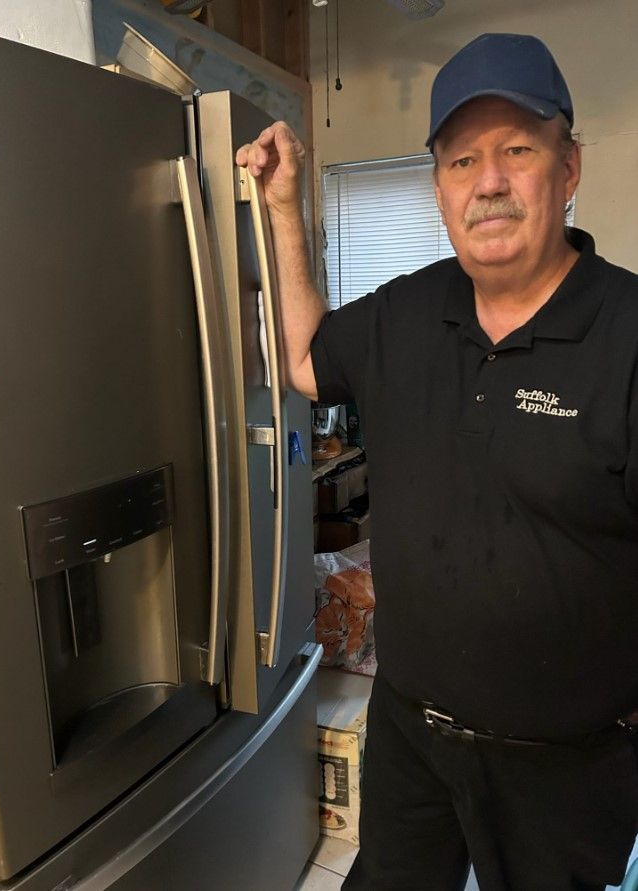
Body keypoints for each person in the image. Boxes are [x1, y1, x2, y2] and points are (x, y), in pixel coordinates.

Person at [236, 32, 638, 891]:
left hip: (563, 767)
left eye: (517, 151)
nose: (487, 182)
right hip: (411, 736)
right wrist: (281, 207)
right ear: (440, 188)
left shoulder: (630, 333)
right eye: (460, 161)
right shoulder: (408, 311)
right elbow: (306, 361)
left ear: (568, 170)